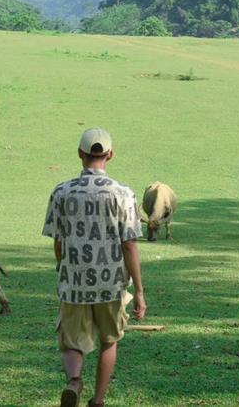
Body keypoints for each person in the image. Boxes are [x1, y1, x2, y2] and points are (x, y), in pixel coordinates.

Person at [42, 128, 146, 407]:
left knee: (71, 341)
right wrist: (138, 290)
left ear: (80, 154)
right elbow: (129, 246)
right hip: (110, 283)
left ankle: (74, 381)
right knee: (109, 340)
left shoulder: (61, 192)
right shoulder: (124, 194)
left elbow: (58, 241)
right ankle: (98, 401)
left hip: (74, 282)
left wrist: (63, 269)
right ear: (110, 155)